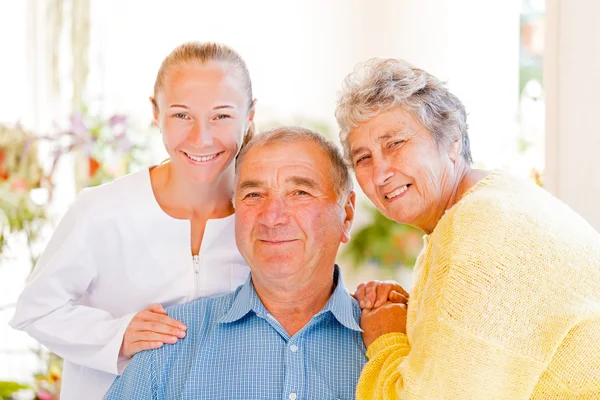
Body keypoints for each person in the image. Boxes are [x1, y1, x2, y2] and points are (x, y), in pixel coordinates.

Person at [335, 58, 600, 399]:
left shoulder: (483, 229)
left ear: (452, 143)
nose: (380, 172)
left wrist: (385, 337)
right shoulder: (481, 209)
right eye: (363, 158)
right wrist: (411, 311)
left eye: (395, 144)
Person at [10, 41, 256, 400]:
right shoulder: (102, 209)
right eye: (181, 115)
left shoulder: (263, 218)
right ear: (155, 113)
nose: (201, 138)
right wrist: (117, 336)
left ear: (249, 115)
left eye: (221, 115)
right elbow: (35, 310)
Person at [104, 126, 367, 399]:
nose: (272, 217)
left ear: (346, 216)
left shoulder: (394, 340)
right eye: (253, 195)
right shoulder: (167, 346)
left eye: (300, 192)